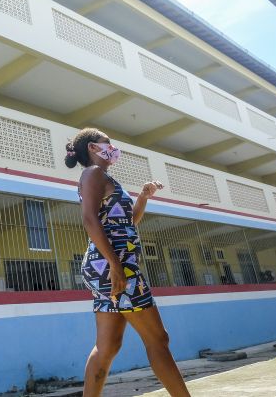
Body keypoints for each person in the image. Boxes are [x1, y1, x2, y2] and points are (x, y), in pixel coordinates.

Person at [65, 128, 189, 397]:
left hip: (108, 266)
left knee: (107, 348)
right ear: (92, 149)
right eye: (106, 143)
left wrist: (143, 197)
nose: (112, 147)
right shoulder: (93, 174)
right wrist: (116, 264)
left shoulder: (104, 177)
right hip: (116, 267)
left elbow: (126, 222)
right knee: (158, 339)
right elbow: (89, 219)